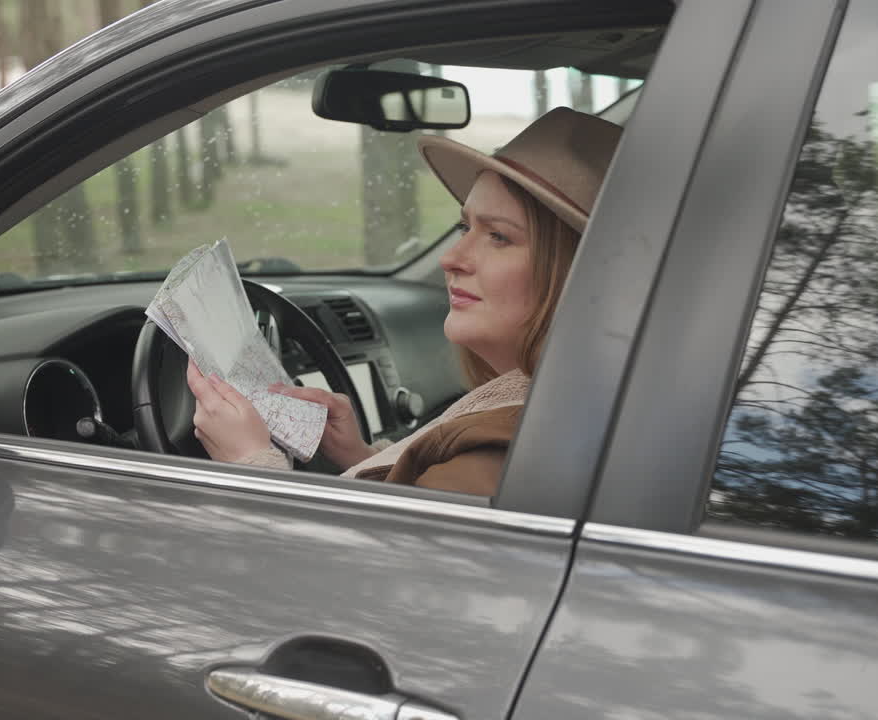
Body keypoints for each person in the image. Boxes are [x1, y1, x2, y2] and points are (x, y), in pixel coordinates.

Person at [185, 107, 622, 496]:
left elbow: (344, 581)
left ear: (578, 276)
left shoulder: (497, 453)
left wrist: (253, 466)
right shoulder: (563, 411)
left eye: (499, 236)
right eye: (463, 228)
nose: (452, 259)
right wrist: (361, 455)